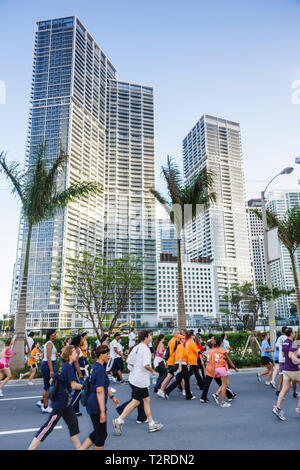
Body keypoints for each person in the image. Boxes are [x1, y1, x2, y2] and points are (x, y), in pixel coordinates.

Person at [28, 345, 83, 450]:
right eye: (74, 352)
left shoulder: (63, 366)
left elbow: (51, 380)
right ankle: (30, 449)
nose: (76, 353)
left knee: (73, 424)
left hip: (66, 403)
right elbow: (73, 385)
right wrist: (84, 386)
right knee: (48, 427)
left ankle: (79, 448)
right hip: (60, 404)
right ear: (70, 355)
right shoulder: (68, 367)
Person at [112, 330, 163, 435]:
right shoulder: (146, 349)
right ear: (146, 337)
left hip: (136, 378)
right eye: (150, 335)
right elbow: (146, 365)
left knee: (146, 400)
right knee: (136, 402)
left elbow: (129, 362)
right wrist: (153, 371)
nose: (151, 337)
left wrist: (136, 369)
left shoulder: (137, 347)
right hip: (140, 380)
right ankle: (119, 420)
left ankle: (151, 423)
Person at [80, 345, 120, 450]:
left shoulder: (96, 366)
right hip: (96, 405)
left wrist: (112, 397)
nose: (108, 356)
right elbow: (99, 390)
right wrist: (102, 411)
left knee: (98, 432)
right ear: (101, 355)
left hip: (92, 403)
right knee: (101, 435)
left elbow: (104, 386)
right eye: (107, 354)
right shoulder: (100, 370)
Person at [116, 343, 147, 424]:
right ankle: (141, 417)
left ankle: (141, 417)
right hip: (136, 381)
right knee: (137, 400)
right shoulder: (135, 358)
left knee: (137, 399)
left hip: (133, 380)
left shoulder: (132, 357)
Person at [273, 328, 300, 421]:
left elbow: (284, 355)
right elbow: (290, 356)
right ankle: (299, 408)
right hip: (294, 370)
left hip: (286, 369)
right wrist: (298, 360)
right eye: (294, 332)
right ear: (292, 333)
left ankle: (277, 408)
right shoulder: (293, 343)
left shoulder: (284, 342)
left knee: (285, 389)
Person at [164, 335, 196, 400]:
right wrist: (180, 366)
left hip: (178, 365)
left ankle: (167, 391)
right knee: (186, 380)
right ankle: (188, 396)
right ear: (180, 340)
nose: (184, 339)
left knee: (178, 381)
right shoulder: (181, 347)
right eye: (183, 338)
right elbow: (180, 357)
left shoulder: (179, 346)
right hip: (182, 365)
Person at [211, 336, 239, 408]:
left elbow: (213, 362)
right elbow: (229, 360)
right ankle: (223, 402)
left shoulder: (214, 350)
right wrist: (234, 367)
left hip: (216, 368)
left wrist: (214, 371)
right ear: (221, 343)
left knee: (226, 383)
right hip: (222, 368)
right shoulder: (223, 350)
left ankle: (216, 394)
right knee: (224, 385)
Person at [36, 330, 57, 413]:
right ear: (50, 335)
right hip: (48, 366)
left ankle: (42, 402)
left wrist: (58, 354)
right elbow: (48, 358)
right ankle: (45, 406)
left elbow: (48, 355)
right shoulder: (49, 344)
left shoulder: (49, 343)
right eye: (54, 334)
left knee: (48, 386)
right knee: (47, 386)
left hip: (48, 365)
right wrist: (51, 370)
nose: (56, 335)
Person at [156, 330, 180, 397]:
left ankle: (161, 390)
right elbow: (174, 352)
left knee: (172, 376)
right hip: (173, 361)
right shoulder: (175, 341)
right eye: (178, 333)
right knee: (170, 376)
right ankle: (161, 390)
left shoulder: (171, 340)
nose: (179, 335)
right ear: (174, 334)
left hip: (171, 361)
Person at [70, 335, 85, 416]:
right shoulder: (77, 349)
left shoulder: (76, 348)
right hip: (77, 371)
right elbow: (76, 362)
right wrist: (79, 373)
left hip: (78, 370)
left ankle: (76, 410)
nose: (83, 340)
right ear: (79, 341)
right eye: (82, 339)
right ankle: (71, 408)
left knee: (77, 390)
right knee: (79, 389)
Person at [275, 326, 287, 397]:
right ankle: (294, 391)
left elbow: (276, 347)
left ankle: (278, 390)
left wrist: (280, 347)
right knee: (291, 375)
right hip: (286, 359)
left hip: (280, 359)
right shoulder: (287, 338)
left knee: (281, 376)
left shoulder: (279, 338)